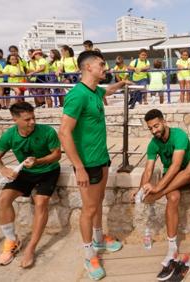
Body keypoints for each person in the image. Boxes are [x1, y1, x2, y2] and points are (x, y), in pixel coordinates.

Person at [58, 50, 130, 281]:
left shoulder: (94, 91)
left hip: (101, 158)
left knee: (98, 203)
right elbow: (64, 132)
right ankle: (89, 255)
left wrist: (121, 83)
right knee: (89, 209)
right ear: (88, 67)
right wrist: (78, 166)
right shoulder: (77, 95)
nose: (105, 67)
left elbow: (107, 90)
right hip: (87, 164)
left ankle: (99, 240)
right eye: (101, 64)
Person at [132, 109, 190, 281]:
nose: (154, 130)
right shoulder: (153, 143)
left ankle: (161, 192)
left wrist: (157, 190)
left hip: (186, 175)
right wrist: (142, 189)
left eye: (156, 126)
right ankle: (172, 248)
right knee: (174, 198)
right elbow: (148, 169)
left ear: (164, 121)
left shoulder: (179, 136)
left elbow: (177, 166)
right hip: (169, 181)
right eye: (150, 128)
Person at [0, 102, 61, 267]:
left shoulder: (47, 131)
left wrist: (38, 161)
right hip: (25, 173)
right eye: (27, 119)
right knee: (3, 199)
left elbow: (56, 155)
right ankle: (12, 240)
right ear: (15, 119)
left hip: (48, 171)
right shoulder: (9, 135)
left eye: (33, 118)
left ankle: (31, 248)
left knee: (41, 202)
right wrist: (2, 169)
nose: (32, 122)